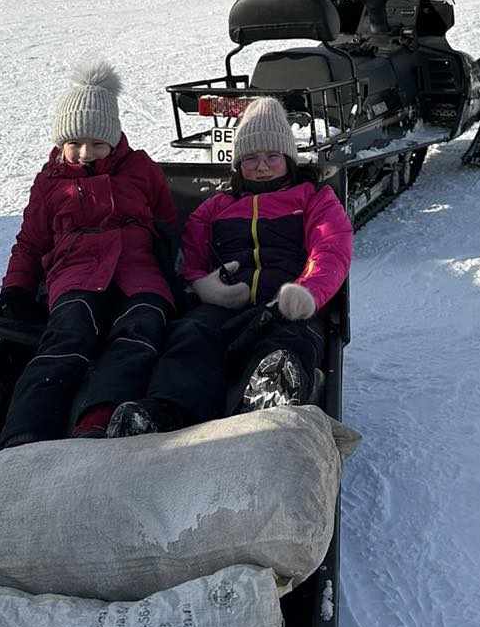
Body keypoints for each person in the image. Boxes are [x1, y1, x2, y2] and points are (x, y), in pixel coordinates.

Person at [123, 96, 353, 433]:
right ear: (238, 163)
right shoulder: (216, 207)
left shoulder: (313, 197)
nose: (262, 166)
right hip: (226, 305)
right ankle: (165, 412)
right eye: (250, 158)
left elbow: (331, 249)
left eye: (272, 156)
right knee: (191, 335)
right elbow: (190, 257)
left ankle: (269, 397)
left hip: (285, 305)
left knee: (289, 343)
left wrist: (308, 294)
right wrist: (204, 287)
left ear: (288, 158)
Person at [0, 58, 178, 447]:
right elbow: (30, 242)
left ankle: (99, 419)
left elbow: (168, 224)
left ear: (114, 138)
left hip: (138, 271)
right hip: (75, 274)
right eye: (74, 143)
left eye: (96, 143)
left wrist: (182, 273)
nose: (85, 153)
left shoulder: (142, 170)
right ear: (61, 143)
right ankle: (24, 434)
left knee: (142, 331)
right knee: (68, 336)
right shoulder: (50, 184)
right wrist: (16, 291)